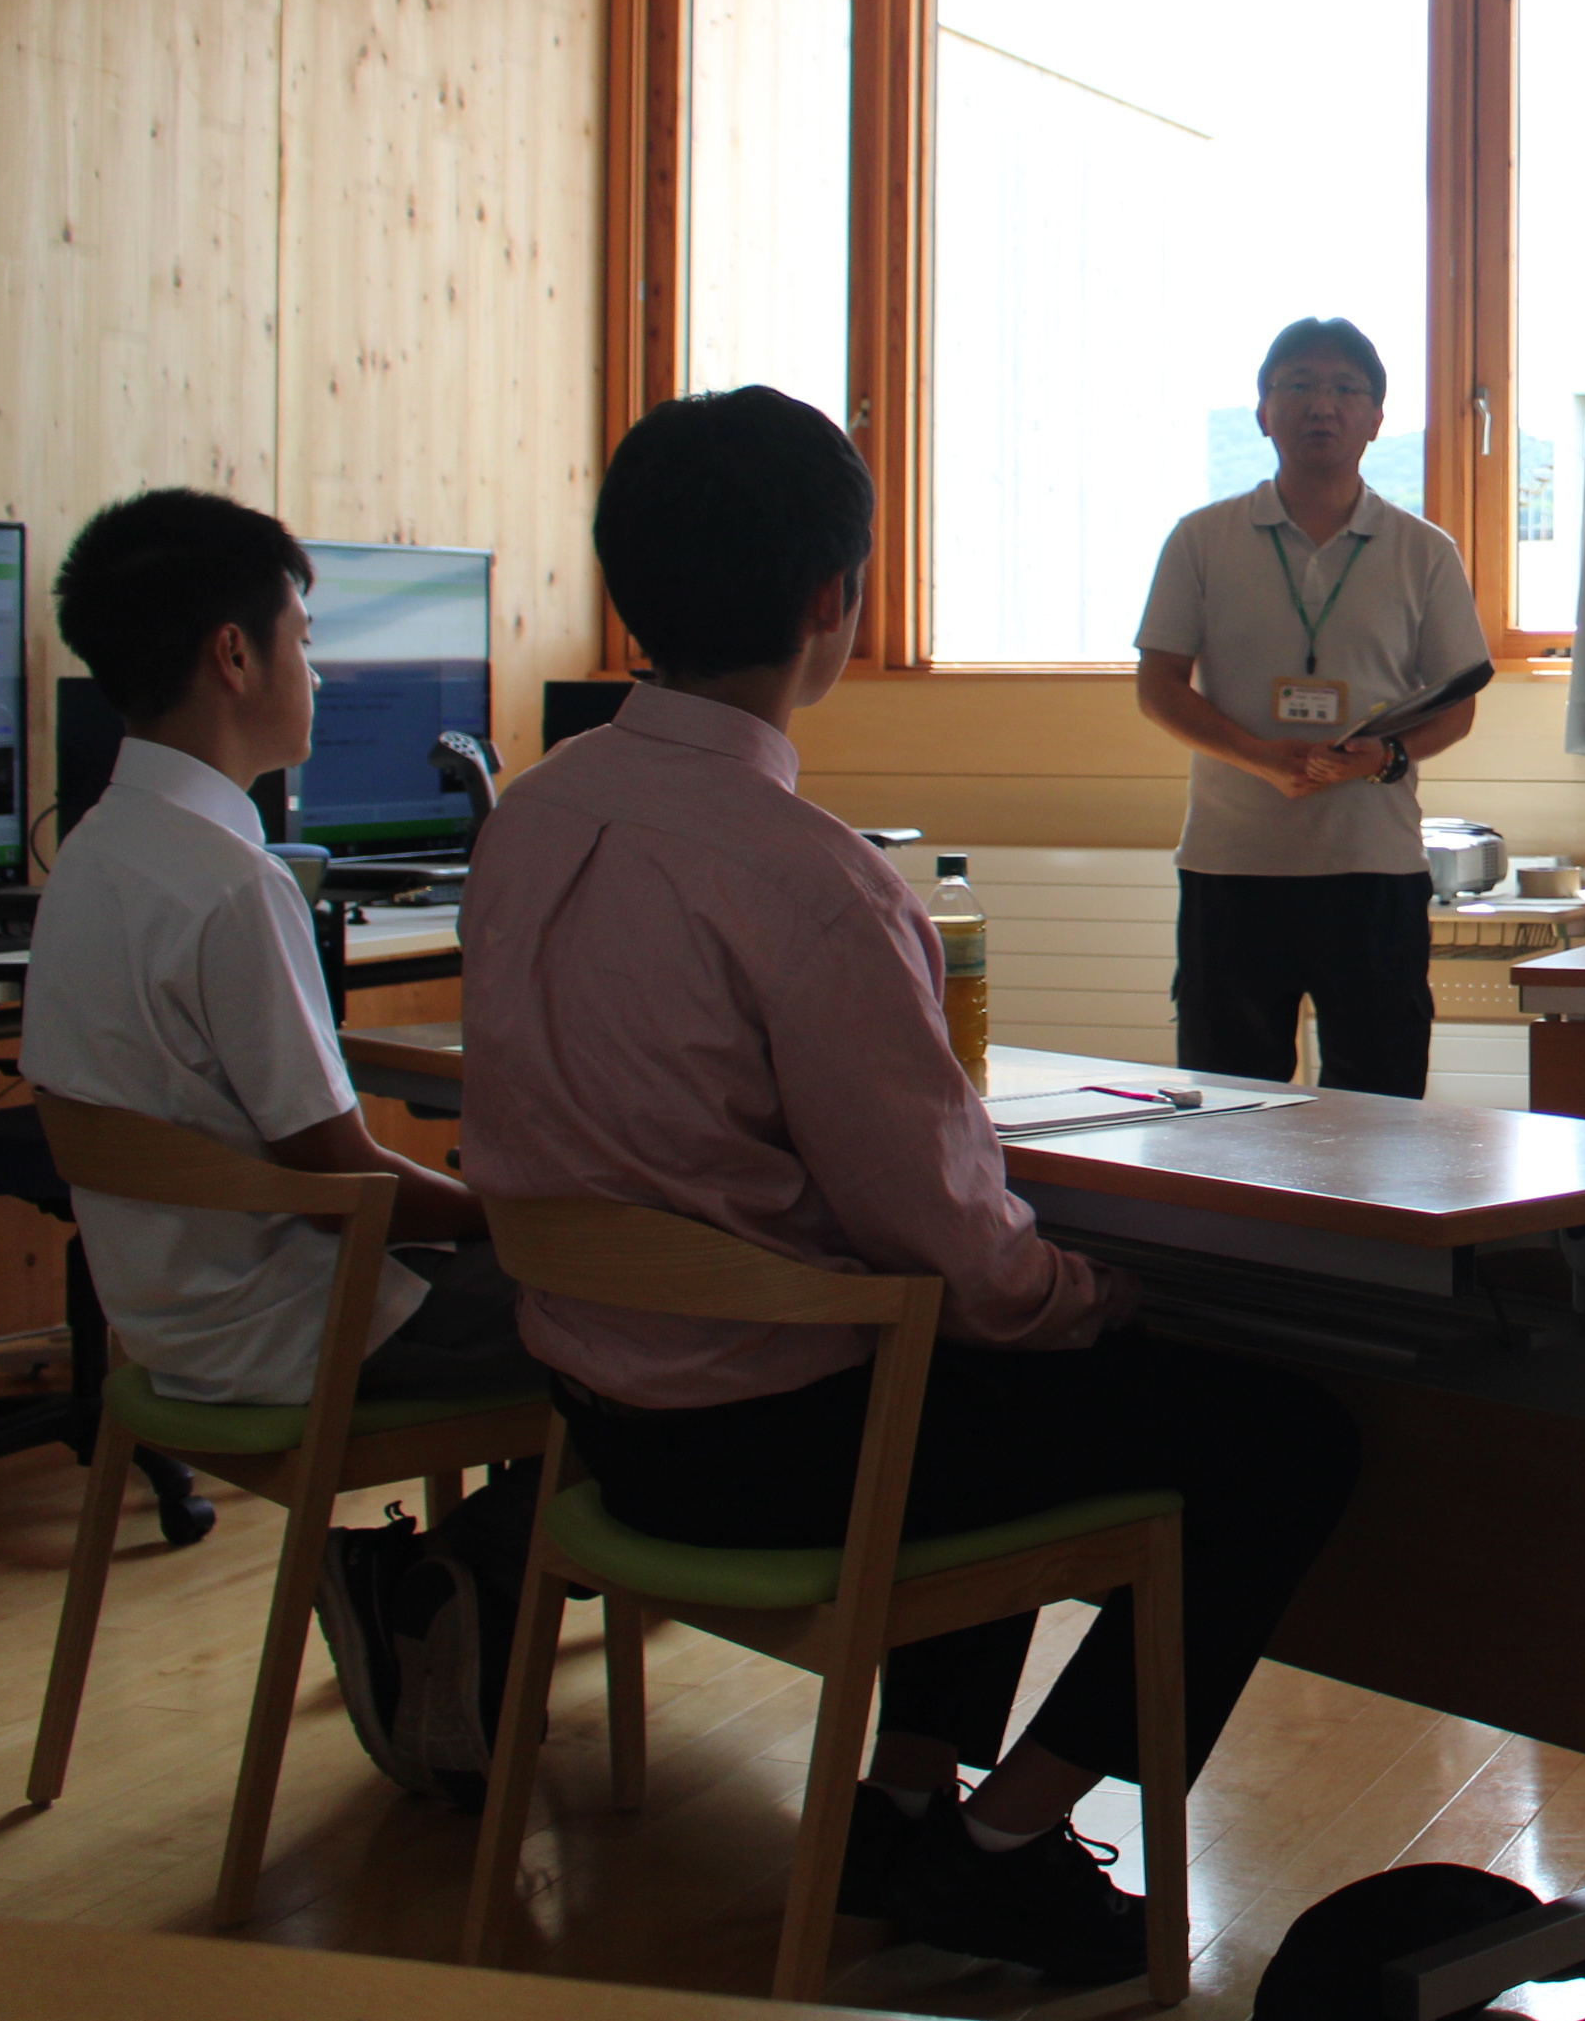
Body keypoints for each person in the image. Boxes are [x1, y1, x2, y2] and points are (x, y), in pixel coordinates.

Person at [460, 387, 1360, 1988]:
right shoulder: (810, 880)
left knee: (972, 1373)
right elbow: (957, 1247)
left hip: (603, 1432)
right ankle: (1004, 1845)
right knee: (1281, 1435)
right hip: (784, 1458)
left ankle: (901, 1800)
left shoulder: (526, 820)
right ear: (834, 599)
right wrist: (1100, 1293)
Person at [24, 487, 537, 1797]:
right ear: (234, 656)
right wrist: (514, 1218)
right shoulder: (232, 882)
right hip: (306, 1325)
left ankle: (439, 1592)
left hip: (170, 1323)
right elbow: (340, 1178)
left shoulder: (96, 850)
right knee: (636, 1312)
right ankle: (440, 1584)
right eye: (306, 639)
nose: (319, 670)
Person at [1134, 319, 1486, 1098]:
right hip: (1232, 864)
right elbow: (1157, 685)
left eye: (1344, 388)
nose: (1321, 404)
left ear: (1376, 418)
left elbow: (1457, 704)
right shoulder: (1202, 538)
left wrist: (1386, 759)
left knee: (1381, 1106)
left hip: (1373, 865)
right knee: (1227, 1103)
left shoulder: (1424, 550)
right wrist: (1259, 757)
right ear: (1263, 412)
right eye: (1297, 385)